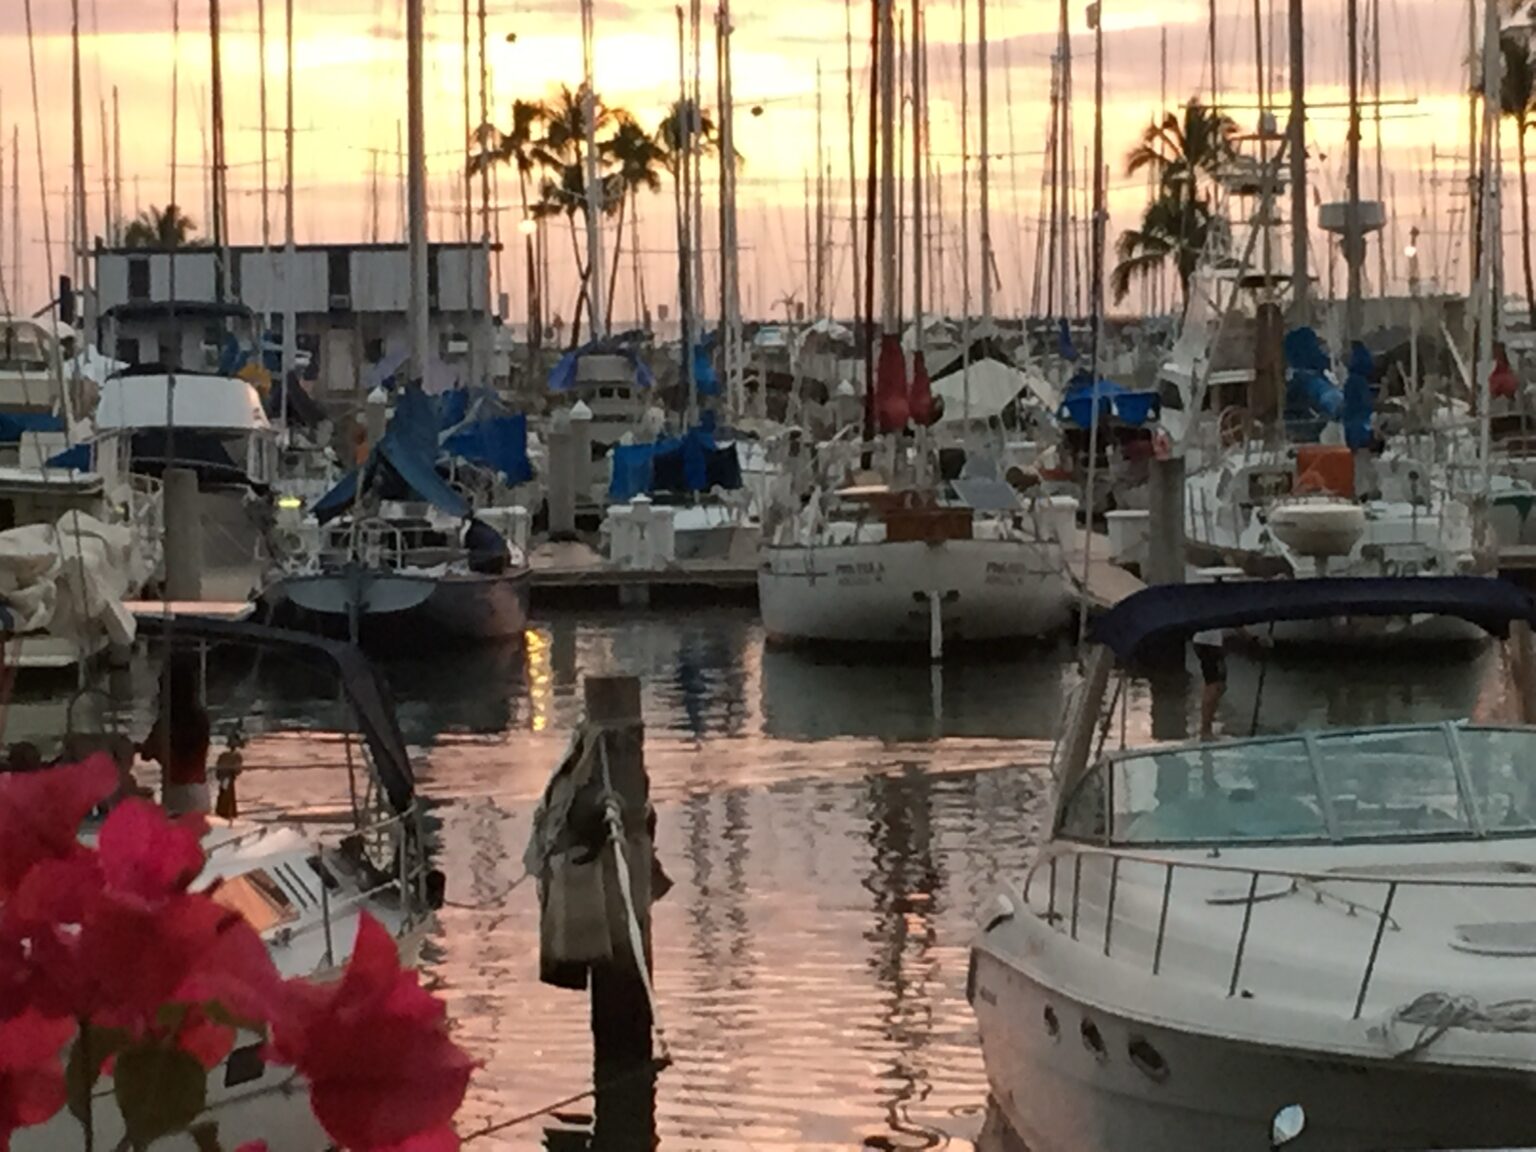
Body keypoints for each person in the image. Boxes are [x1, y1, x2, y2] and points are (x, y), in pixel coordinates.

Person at [138, 654, 212, 816]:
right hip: (201, 791)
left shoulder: (166, 723)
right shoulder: (201, 719)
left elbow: (147, 753)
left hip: (178, 793)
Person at [1194, 625, 1226, 741]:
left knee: (1220, 686)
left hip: (1213, 644)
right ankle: (1205, 731)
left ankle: (1208, 726)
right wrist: (1252, 638)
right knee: (1213, 686)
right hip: (1207, 644)